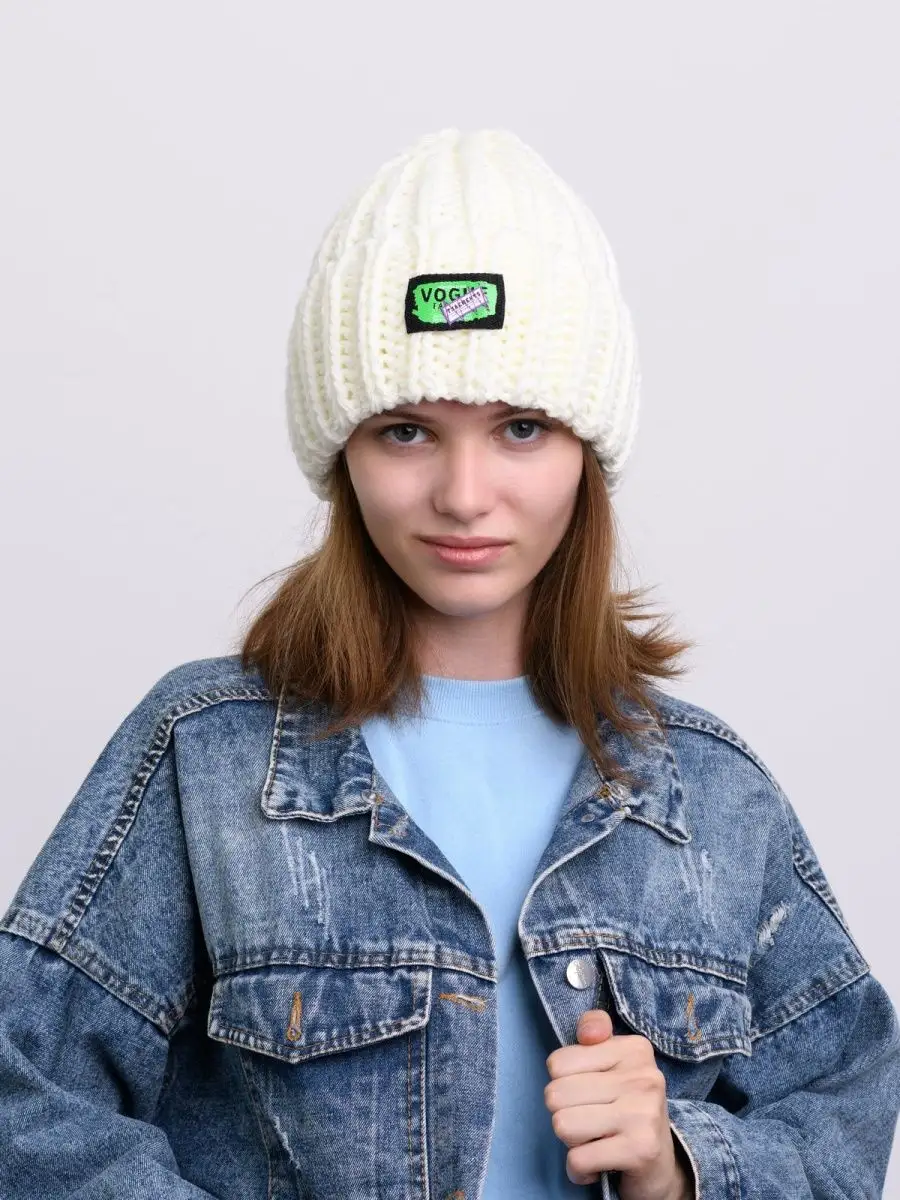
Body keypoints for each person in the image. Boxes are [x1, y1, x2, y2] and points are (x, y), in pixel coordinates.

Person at [1, 129, 898, 1200]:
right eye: (407, 431)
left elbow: (847, 1112)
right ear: (341, 455)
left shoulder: (710, 794)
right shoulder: (207, 756)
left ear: (586, 455)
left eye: (520, 427)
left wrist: (681, 1165)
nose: (465, 496)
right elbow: (24, 1098)